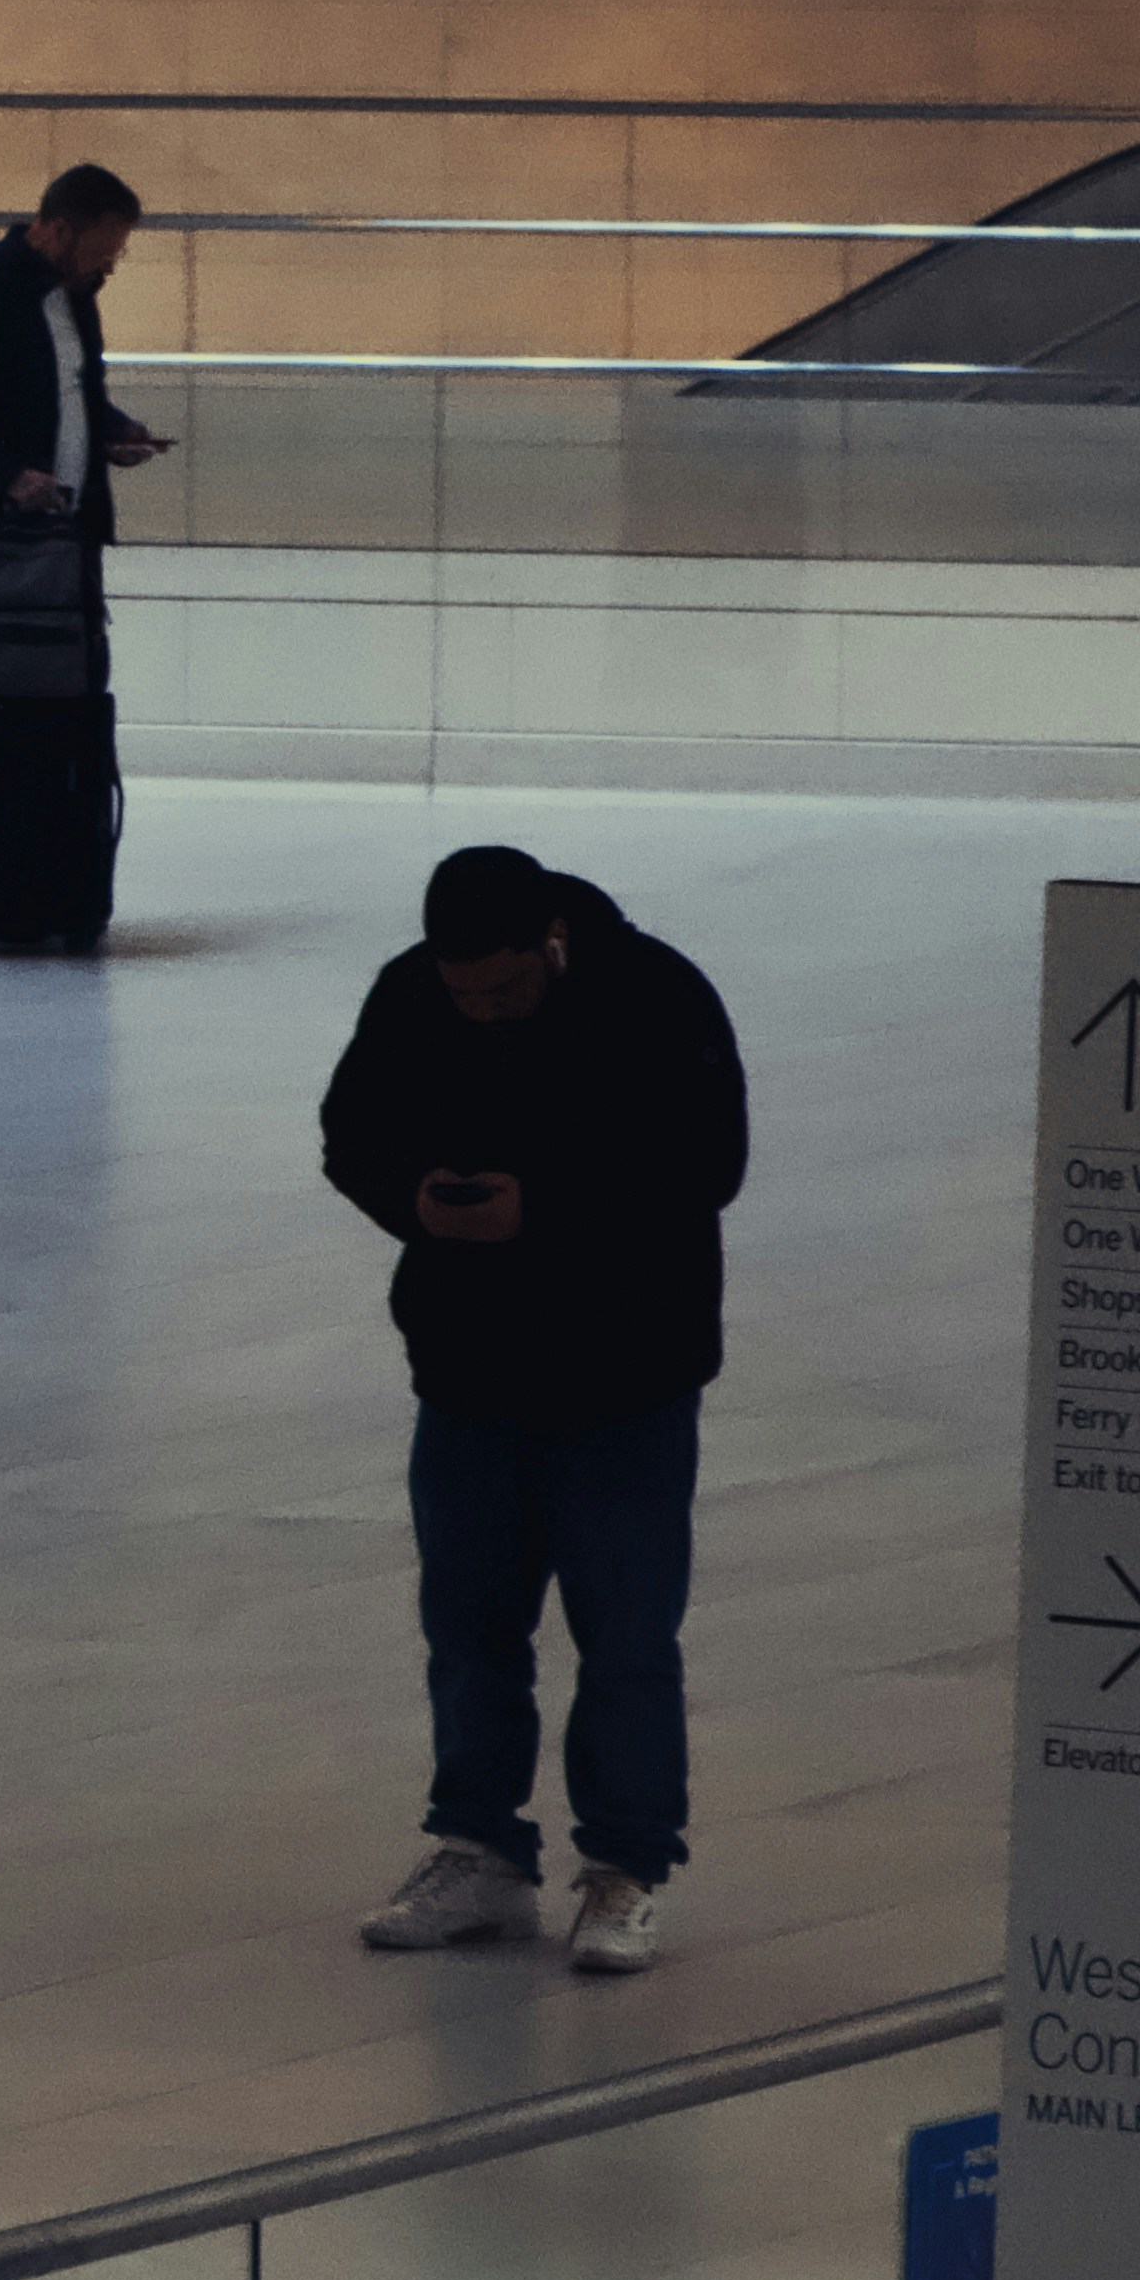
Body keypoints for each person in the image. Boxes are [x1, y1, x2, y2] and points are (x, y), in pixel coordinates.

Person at [323, 845, 746, 1973]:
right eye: (467, 996)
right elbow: (352, 1131)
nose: (485, 1012)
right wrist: (415, 1197)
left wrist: (543, 1210)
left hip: (624, 1378)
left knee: (626, 1635)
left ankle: (624, 1867)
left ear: (552, 940)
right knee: (467, 1630)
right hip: (469, 1372)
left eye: (505, 991)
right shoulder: (412, 993)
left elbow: (708, 1160)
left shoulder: (658, 995)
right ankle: (480, 1849)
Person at [0, 163, 168, 953]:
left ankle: (57, 890)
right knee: (7, 697)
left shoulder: (74, 301)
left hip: (66, 530)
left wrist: (111, 431)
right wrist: (8, 477)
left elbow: (71, 394)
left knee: (64, 700)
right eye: (104, 247)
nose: (110, 263)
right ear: (55, 228)